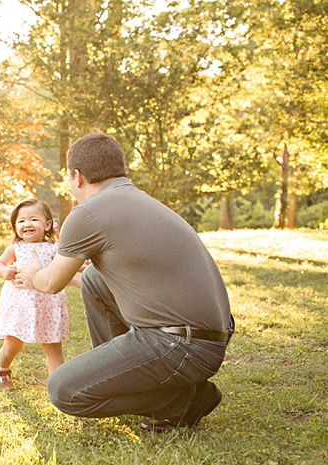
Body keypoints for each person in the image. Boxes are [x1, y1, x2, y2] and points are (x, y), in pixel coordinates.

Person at [13, 133, 235, 431]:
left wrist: (31, 274)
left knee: (63, 390)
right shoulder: (139, 200)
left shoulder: (87, 212)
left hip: (181, 346)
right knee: (93, 278)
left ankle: (182, 401)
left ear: (77, 176)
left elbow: (51, 282)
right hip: (209, 339)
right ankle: (126, 378)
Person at [0, 199, 78, 389]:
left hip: (48, 305)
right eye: (21, 221)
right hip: (21, 305)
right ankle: (2, 368)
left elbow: (64, 268)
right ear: (15, 226)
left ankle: (58, 386)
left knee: (53, 349)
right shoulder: (16, 248)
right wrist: (5, 271)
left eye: (34, 219)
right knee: (13, 344)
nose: (27, 224)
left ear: (47, 225)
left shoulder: (55, 248)